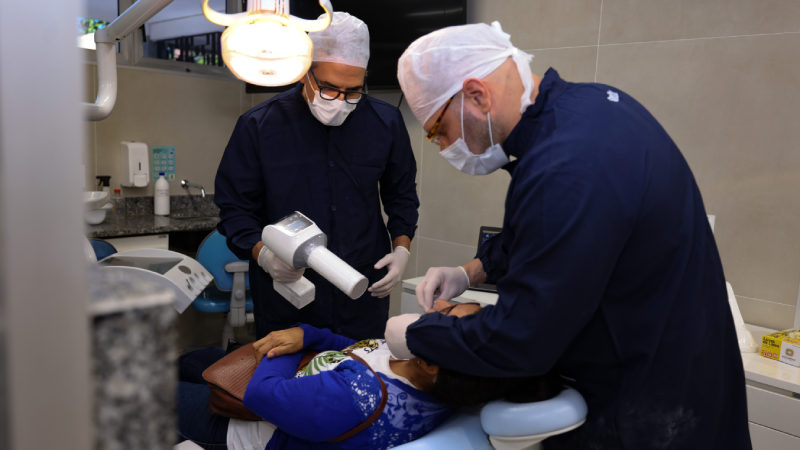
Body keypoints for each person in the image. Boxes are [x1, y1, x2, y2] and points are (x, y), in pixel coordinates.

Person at [384, 22, 751, 449]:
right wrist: (471, 271)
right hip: (683, 371)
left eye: (437, 129)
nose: (443, 144)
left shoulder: (566, 166)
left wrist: (418, 335)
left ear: (477, 95)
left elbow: (521, 340)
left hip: (650, 410)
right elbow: (557, 233)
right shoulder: (591, 108)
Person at [215, 12, 419, 341]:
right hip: (289, 294)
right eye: (329, 88)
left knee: (358, 384)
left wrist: (401, 251)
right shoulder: (259, 126)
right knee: (289, 387)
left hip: (360, 290)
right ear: (304, 75)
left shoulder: (386, 123)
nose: (340, 102)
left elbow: (402, 197)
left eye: (353, 91)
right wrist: (264, 256)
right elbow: (234, 209)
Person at [176, 301, 562, 450]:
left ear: (433, 363)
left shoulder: (358, 397)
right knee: (198, 359)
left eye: (447, 316)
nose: (440, 303)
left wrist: (283, 344)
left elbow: (262, 397)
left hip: (242, 422)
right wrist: (309, 335)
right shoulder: (420, 367)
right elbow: (360, 347)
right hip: (293, 378)